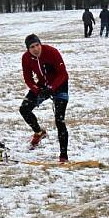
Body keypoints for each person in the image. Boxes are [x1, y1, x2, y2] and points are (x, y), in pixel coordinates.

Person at [19, 34, 69, 162]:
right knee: (24, 109)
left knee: (59, 120)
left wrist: (51, 88)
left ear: (40, 44)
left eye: (37, 45)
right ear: (28, 49)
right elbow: (28, 79)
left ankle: (63, 156)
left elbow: (63, 74)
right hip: (42, 86)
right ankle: (39, 132)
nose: (36, 49)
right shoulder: (26, 58)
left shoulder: (52, 52)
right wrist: (37, 90)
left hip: (60, 85)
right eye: (32, 47)